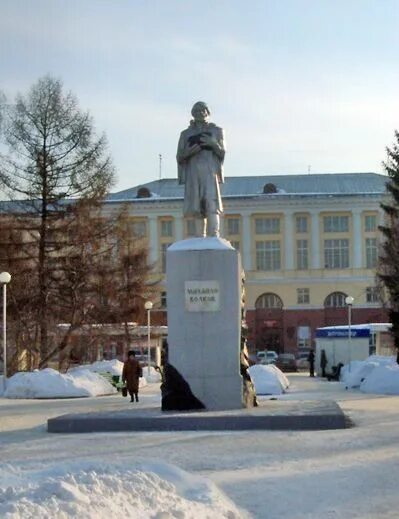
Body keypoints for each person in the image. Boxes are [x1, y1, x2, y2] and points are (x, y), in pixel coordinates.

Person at [176, 101, 226, 237]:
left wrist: (213, 144)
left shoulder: (216, 130)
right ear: (193, 113)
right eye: (197, 111)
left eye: (203, 110)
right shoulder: (186, 134)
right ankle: (199, 236)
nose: (200, 113)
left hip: (210, 172)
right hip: (193, 172)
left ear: (208, 113)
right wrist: (189, 152)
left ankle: (214, 234)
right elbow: (179, 157)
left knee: (211, 202)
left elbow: (222, 153)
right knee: (196, 204)